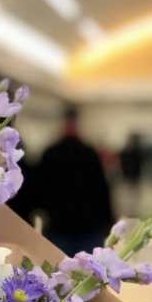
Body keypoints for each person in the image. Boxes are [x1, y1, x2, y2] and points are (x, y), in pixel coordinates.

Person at [36, 105, 113, 256]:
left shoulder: (51, 153)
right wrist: (107, 222)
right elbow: (101, 190)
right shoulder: (89, 153)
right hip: (86, 227)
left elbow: (40, 189)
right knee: (88, 269)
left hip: (59, 226)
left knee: (59, 267)